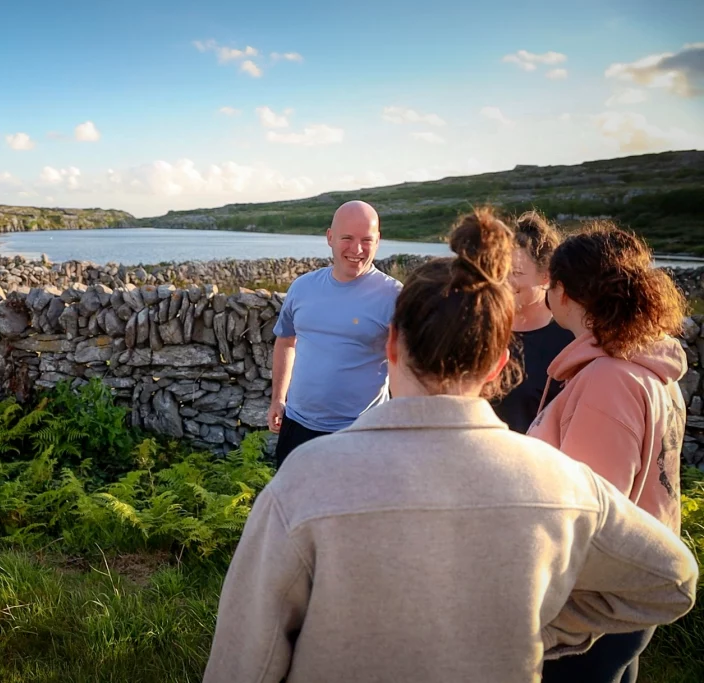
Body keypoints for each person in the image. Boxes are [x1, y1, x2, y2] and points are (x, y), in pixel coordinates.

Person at [204, 208, 698, 683]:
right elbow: (673, 581)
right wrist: (532, 628)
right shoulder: (564, 481)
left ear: (392, 344)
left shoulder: (306, 479)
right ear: (499, 365)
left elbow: (248, 653)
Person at [529, 222, 689, 683]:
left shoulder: (608, 381)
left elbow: (587, 516)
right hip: (628, 596)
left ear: (561, 292)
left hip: (591, 608)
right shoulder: (647, 368)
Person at [268, 200, 402, 468]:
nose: (357, 249)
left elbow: (406, 364)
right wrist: (277, 400)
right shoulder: (302, 288)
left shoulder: (395, 296)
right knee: (295, 506)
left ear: (379, 240)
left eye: (367, 240)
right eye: (347, 238)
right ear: (330, 237)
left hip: (361, 432)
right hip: (297, 426)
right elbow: (285, 341)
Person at [491, 211, 573, 432]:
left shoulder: (569, 343)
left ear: (546, 276)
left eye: (516, 273)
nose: (504, 282)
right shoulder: (483, 331)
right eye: (500, 271)